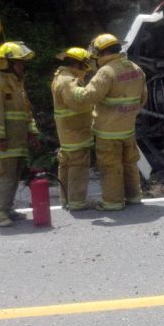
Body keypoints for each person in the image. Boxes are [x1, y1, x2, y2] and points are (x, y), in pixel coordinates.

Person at [69, 34, 147, 211]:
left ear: (102, 53)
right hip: (128, 129)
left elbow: (89, 96)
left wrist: (73, 88)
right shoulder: (136, 68)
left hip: (108, 132)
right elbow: (142, 98)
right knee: (129, 164)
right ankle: (134, 196)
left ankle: (113, 202)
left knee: (110, 166)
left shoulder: (106, 72)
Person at [0, 41, 40, 227]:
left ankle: (7, 209)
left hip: (17, 143)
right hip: (3, 144)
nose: (22, 67)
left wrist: (32, 133)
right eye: (18, 63)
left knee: (13, 178)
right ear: (5, 63)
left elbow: (26, 114)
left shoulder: (17, 87)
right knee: (3, 178)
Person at [51, 47, 95, 211]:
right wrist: (92, 96)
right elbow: (76, 103)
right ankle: (77, 201)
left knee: (66, 164)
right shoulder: (69, 81)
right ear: (78, 64)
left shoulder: (61, 77)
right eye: (85, 66)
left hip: (67, 131)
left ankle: (66, 199)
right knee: (79, 165)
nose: (86, 70)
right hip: (76, 130)